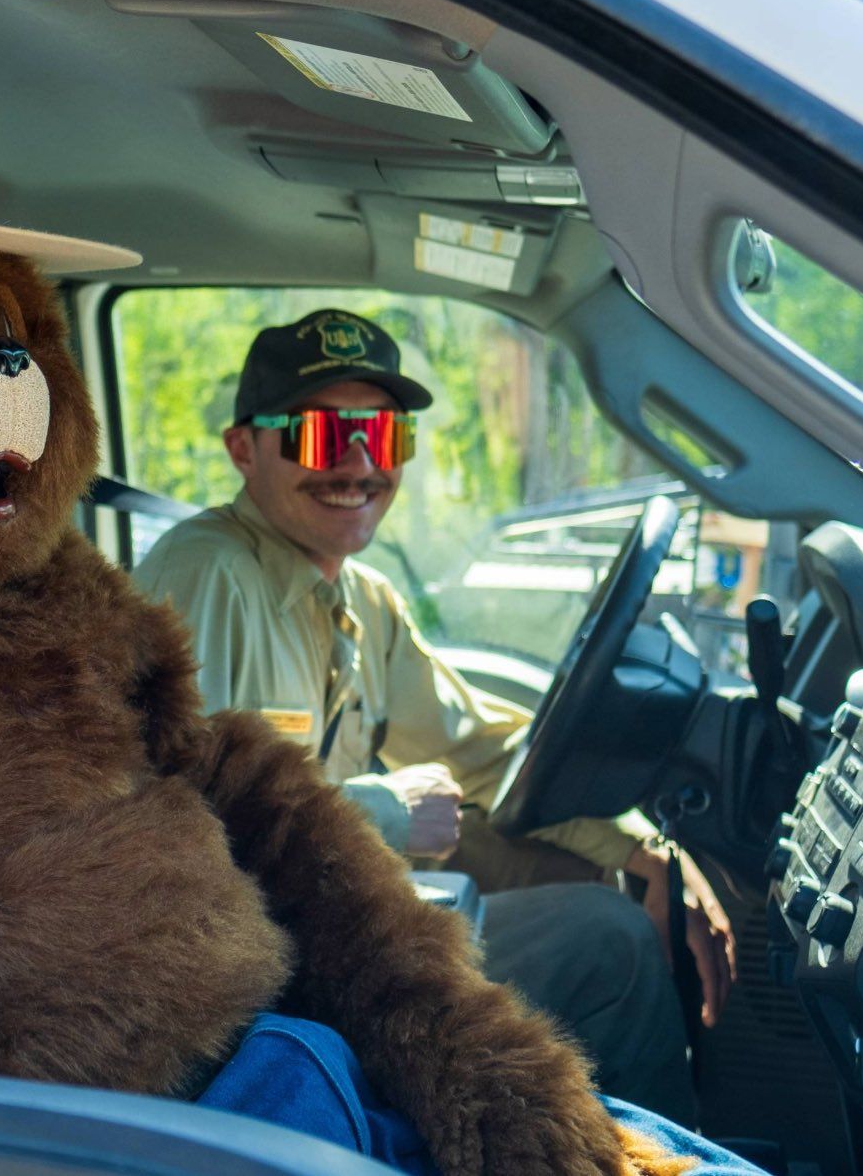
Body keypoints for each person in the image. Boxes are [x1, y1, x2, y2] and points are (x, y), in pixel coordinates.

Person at [133, 308, 736, 1125]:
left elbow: (483, 751)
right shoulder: (212, 576)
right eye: (319, 436)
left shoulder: (363, 601)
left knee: (597, 877)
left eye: (381, 437)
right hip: (272, 975)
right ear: (245, 448)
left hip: (335, 919)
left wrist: (644, 849)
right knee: (610, 942)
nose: (354, 462)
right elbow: (181, 825)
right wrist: (384, 812)